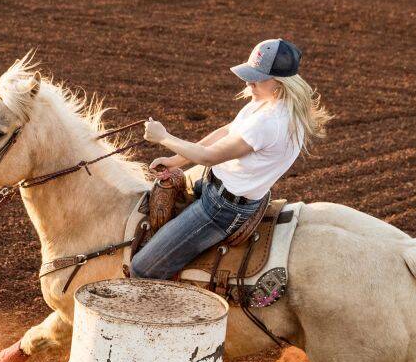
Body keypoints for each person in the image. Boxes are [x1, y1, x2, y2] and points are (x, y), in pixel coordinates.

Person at [131, 38, 331, 279]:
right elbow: (226, 132)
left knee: (142, 269)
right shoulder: (268, 103)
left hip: (219, 209)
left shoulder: (270, 123)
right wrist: (176, 160)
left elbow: (209, 156)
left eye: (257, 78)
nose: (249, 83)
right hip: (214, 186)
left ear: (278, 83)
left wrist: (163, 137)